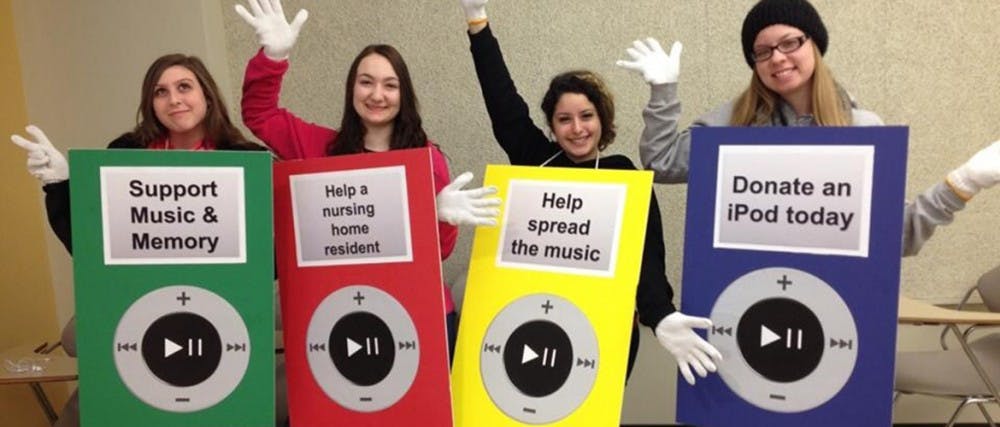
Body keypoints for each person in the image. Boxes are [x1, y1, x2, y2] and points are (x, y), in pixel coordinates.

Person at [458, 0, 722, 386]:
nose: (577, 128)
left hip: (605, 328)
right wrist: (477, 23)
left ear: (603, 120)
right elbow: (503, 103)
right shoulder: (537, 161)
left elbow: (645, 256)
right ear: (551, 125)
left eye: (587, 116)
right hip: (535, 320)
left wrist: (660, 313)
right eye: (564, 119)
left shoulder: (623, 174)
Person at [10, 54, 283, 426]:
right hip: (135, 293)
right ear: (150, 104)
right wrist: (59, 186)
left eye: (184, 87)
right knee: (78, 337)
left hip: (222, 296)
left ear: (207, 96)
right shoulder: (124, 156)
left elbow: (273, 248)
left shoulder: (246, 160)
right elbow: (90, 247)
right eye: (161, 92)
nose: (174, 100)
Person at [617, 0, 1000, 257]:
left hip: (831, 301)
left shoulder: (861, 129)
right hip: (745, 295)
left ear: (814, 44)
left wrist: (962, 183)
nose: (777, 58)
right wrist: (662, 91)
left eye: (789, 42)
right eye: (762, 51)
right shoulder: (734, 123)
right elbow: (662, 163)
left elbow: (896, 238)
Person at [235, 0, 499, 361]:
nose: (377, 95)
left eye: (390, 85)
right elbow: (260, 114)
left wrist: (435, 216)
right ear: (351, 89)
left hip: (419, 314)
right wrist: (273, 57)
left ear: (403, 94)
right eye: (366, 82)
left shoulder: (427, 158)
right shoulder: (319, 149)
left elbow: (439, 252)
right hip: (342, 312)